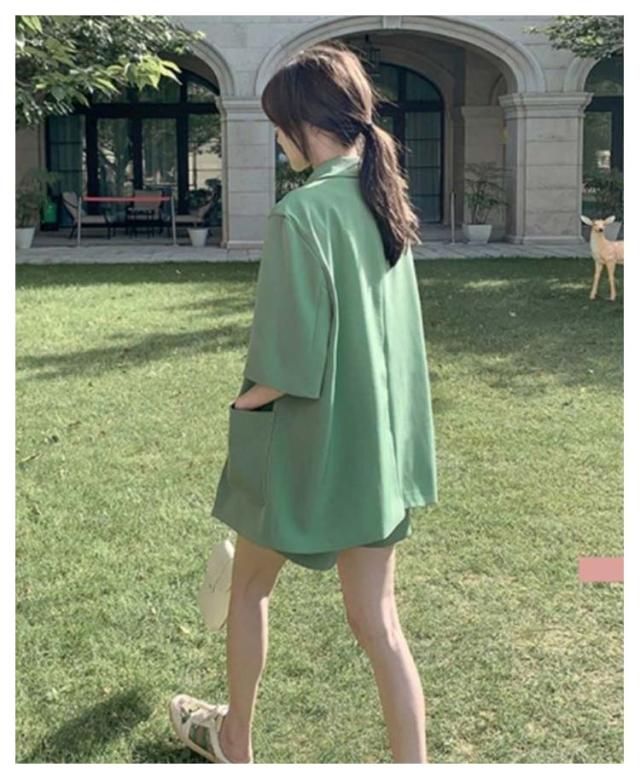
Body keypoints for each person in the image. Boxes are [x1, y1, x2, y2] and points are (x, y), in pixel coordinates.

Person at [169, 40, 438, 764]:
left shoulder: (302, 213)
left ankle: (234, 739)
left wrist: (243, 404)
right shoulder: (385, 203)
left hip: (305, 446)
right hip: (376, 452)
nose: (277, 140)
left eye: (277, 126)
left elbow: (286, 365)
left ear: (299, 123)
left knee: (249, 588)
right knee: (380, 624)